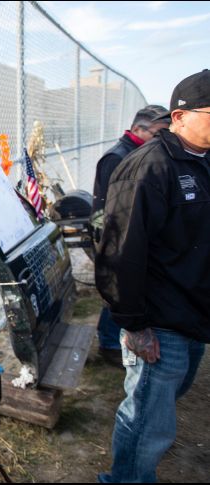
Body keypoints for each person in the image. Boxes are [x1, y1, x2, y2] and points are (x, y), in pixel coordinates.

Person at [96, 69, 210, 483]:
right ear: (179, 118)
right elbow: (118, 254)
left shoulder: (203, 161)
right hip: (160, 323)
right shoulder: (147, 168)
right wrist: (136, 326)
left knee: (161, 404)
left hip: (193, 314)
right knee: (147, 421)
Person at [91, 104, 170, 366]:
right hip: (111, 235)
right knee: (114, 291)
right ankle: (110, 342)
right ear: (138, 129)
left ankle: (111, 339)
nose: (163, 139)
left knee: (121, 290)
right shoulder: (117, 157)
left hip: (120, 233)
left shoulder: (140, 153)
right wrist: (106, 242)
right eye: (158, 134)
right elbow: (103, 207)